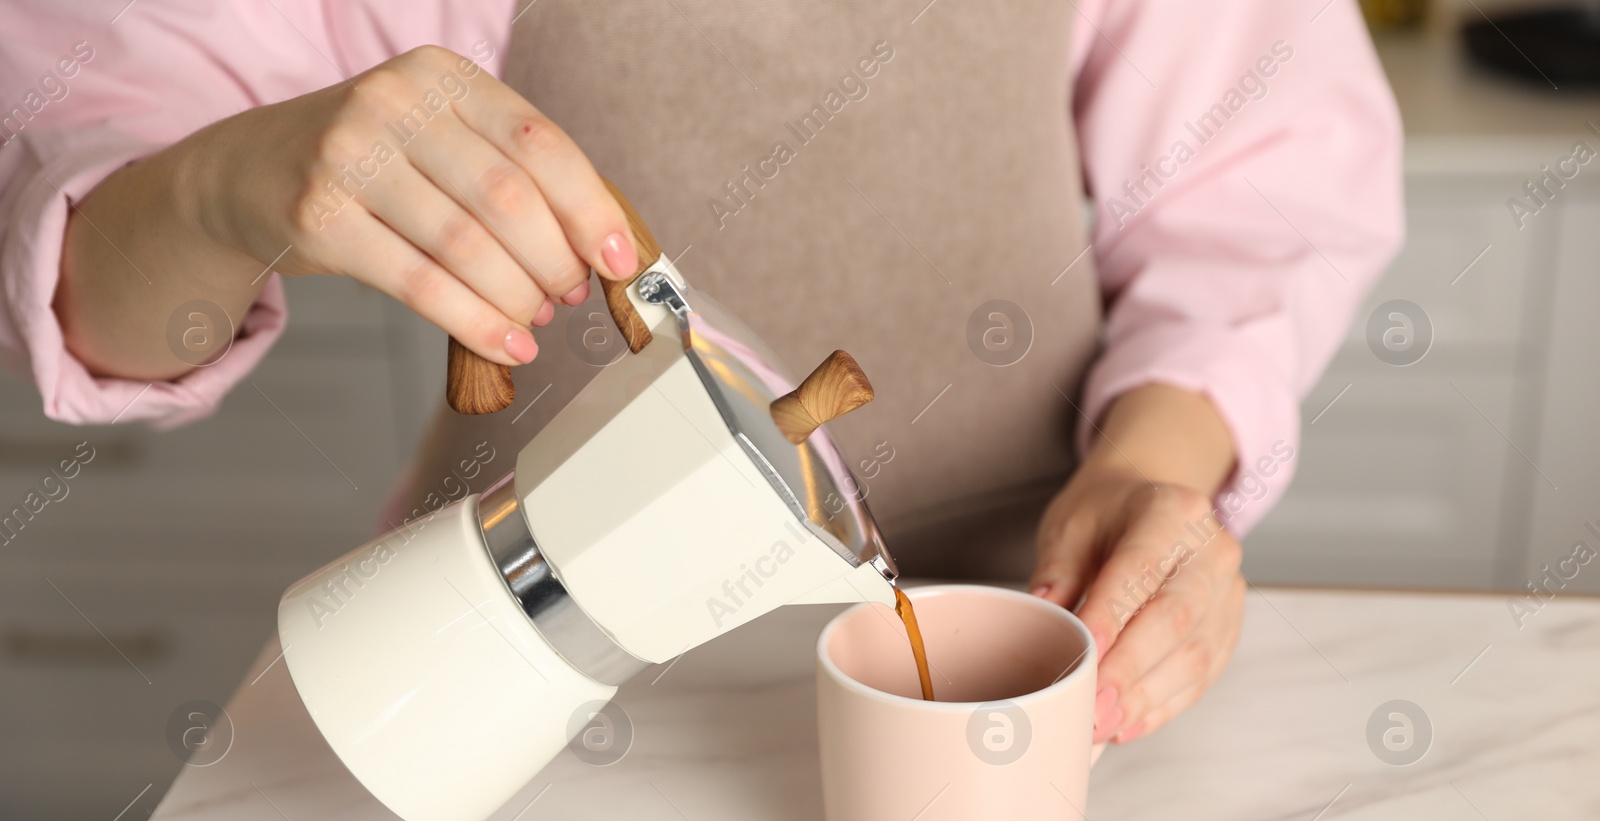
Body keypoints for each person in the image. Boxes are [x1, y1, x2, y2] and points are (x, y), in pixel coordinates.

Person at [0, 1, 1402, 746]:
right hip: (530, 694)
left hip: (1024, 652)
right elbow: (106, 303)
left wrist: (1158, 471)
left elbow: (1259, 187)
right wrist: (217, 192)